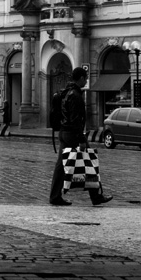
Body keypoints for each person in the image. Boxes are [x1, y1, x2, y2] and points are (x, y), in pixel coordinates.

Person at [49, 66, 113, 207]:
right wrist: (82, 139)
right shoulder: (76, 96)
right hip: (72, 134)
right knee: (89, 163)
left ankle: (54, 196)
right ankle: (96, 196)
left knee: (61, 166)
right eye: (86, 78)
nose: (87, 80)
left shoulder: (66, 92)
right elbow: (76, 120)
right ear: (81, 78)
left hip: (63, 133)